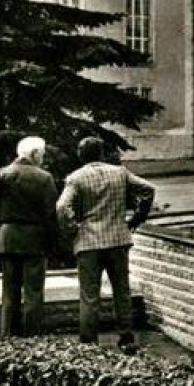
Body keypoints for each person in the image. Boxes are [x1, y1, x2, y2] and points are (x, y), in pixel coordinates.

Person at [56, 136, 154, 354]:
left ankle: (89, 344)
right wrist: (137, 219)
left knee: (89, 295)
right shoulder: (120, 172)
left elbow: (62, 207)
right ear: (102, 153)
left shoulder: (76, 178)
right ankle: (127, 339)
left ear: (81, 155)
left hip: (89, 242)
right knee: (122, 290)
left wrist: (73, 230)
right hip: (118, 239)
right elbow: (148, 189)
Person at [0, 136, 57, 337]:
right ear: (34, 154)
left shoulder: (0, 175)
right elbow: (51, 213)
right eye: (41, 154)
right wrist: (53, 242)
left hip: (7, 236)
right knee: (34, 293)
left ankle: (8, 337)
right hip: (35, 238)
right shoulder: (44, 178)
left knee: (9, 293)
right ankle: (32, 339)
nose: (42, 158)